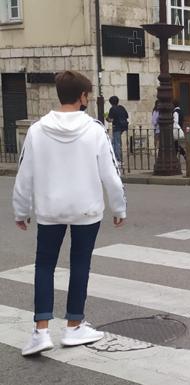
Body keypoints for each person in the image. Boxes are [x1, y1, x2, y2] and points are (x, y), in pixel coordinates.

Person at [13, 71, 127, 356]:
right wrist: (119, 206)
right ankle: (74, 325)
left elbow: (24, 173)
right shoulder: (95, 130)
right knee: (79, 264)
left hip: (50, 208)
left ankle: (40, 330)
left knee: (44, 265)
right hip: (86, 208)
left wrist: (21, 209)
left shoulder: (38, 130)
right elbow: (111, 174)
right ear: (83, 96)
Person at [106, 96, 128, 163]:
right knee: (115, 142)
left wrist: (106, 118)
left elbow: (110, 119)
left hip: (117, 127)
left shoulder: (112, 109)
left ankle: (118, 159)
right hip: (123, 126)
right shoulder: (121, 107)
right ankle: (114, 157)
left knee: (116, 143)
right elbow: (126, 116)